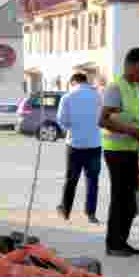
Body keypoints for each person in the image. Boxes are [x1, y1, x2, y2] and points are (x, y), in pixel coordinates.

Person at [98, 47, 139, 257]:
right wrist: (132, 131)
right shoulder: (116, 88)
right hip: (116, 151)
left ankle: (121, 241)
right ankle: (113, 244)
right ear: (129, 65)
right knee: (121, 198)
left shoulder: (135, 88)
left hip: (131, 150)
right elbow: (103, 120)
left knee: (131, 200)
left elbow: (136, 119)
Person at [56, 73, 103, 225]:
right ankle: (91, 214)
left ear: (73, 82)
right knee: (92, 181)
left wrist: (73, 126)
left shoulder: (68, 97)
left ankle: (65, 211)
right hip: (94, 144)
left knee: (71, 180)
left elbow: (62, 120)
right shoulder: (98, 96)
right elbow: (103, 117)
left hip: (75, 145)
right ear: (85, 81)